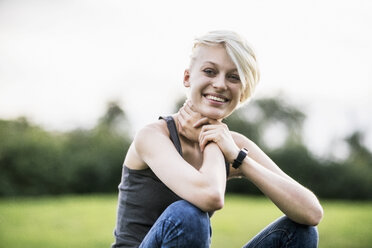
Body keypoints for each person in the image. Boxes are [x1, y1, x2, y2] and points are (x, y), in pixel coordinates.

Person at [111, 30, 323, 248]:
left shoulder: (234, 145)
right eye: (210, 71)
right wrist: (212, 139)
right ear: (187, 78)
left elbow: (311, 213)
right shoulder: (153, 136)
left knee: (300, 231)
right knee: (188, 214)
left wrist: (240, 159)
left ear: (242, 90)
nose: (220, 84)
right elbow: (210, 195)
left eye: (233, 77)